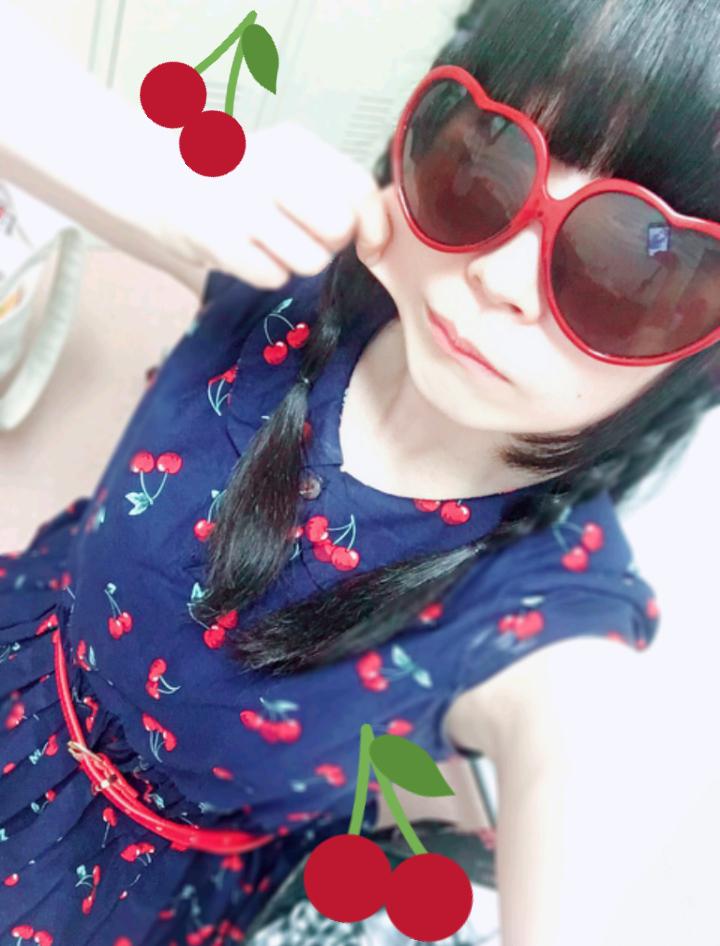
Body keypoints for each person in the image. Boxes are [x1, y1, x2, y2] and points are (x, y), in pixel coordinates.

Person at [1, 0, 719, 943]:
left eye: (626, 268)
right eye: (489, 163)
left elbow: (581, 775)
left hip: (119, 897)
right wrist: (163, 188)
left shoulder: (551, 629)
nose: (500, 277)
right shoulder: (299, 289)